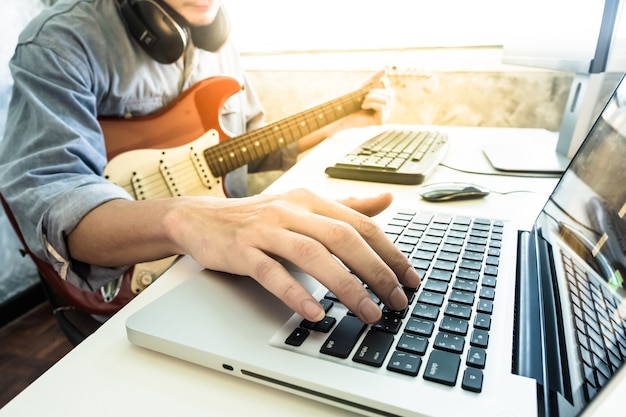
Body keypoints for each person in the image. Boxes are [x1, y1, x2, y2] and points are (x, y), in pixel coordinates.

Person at [0, 0, 420, 325]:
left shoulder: (218, 39)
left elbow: (247, 145)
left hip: (234, 269)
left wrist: (337, 126)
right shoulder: (60, 38)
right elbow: (52, 197)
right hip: (136, 285)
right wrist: (183, 219)